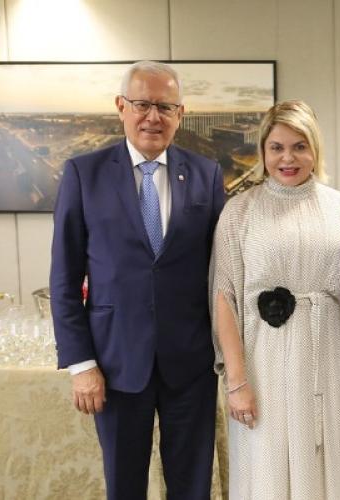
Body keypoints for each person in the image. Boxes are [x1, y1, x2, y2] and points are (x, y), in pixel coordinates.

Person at [50, 60, 225, 499]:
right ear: (121, 106)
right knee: (124, 486)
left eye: (165, 107)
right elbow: (64, 280)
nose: (153, 117)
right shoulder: (83, 174)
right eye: (142, 104)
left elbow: (223, 273)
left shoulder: (206, 174)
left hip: (191, 364)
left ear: (181, 114)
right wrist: (81, 364)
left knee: (192, 487)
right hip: (114, 364)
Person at [210, 100, 340, 500]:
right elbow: (225, 299)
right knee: (269, 467)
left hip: (331, 362)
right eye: (277, 147)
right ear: (263, 151)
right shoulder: (239, 212)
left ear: (315, 149)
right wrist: (237, 383)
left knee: (335, 461)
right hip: (264, 368)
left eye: (300, 146)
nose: (288, 158)